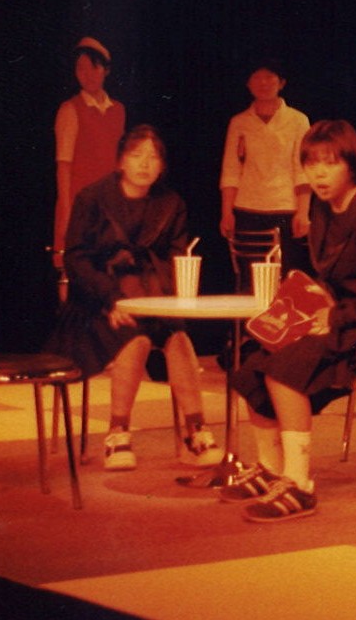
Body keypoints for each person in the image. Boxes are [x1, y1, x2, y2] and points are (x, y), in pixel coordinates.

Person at [225, 120, 356, 522]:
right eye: (311, 164)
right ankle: (271, 467)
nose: (319, 174)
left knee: (285, 369)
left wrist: (337, 314)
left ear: (352, 164)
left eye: (330, 164)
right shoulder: (324, 209)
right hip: (343, 321)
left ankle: (299, 484)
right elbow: (334, 277)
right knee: (253, 361)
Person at [50, 124, 219, 470]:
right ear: (120, 162)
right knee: (136, 337)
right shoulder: (92, 198)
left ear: (162, 166)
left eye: (153, 157)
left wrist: (159, 296)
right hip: (95, 303)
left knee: (178, 336)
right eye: (136, 155)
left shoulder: (171, 203)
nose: (144, 163)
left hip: (152, 297)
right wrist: (111, 298)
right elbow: (76, 259)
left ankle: (196, 431)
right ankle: (118, 434)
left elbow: (176, 257)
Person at [219, 60, 312, 279]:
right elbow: (231, 170)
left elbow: (303, 169)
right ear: (248, 83)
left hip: (285, 209)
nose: (263, 83)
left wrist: (303, 212)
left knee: (287, 277)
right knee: (250, 278)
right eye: (257, 77)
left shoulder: (298, 120)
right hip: (247, 210)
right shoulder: (239, 122)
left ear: (281, 82)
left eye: (269, 77)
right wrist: (226, 212)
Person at [53, 37, 126, 274]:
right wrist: (66, 213)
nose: (87, 74)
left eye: (94, 67)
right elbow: (64, 166)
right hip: (79, 204)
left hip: (110, 205)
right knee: (77, 272)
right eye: (80, 68)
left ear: (106, 70)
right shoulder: (70, 109)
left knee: (111, 273)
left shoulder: (118, 110)